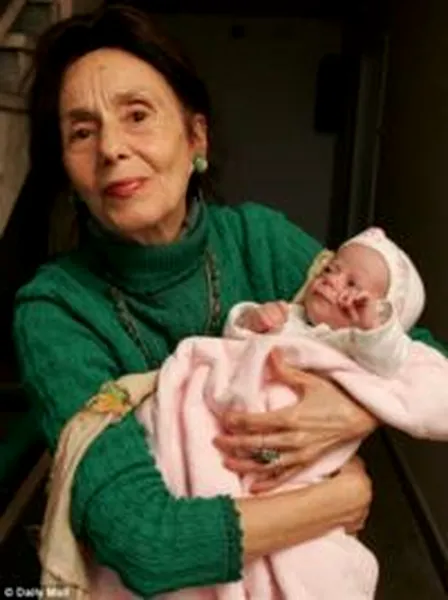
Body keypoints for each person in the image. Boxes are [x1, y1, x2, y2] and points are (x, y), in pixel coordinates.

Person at [11, 4, 445, 598]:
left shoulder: (258, 240)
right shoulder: (56, 311)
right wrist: (341, 497)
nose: (111, 147)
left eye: (137, 115)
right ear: (67, 170)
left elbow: (419, 352)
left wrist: (355, 406)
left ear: (196, 137)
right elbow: (143, 540)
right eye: (82, 132)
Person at [226, 226, 425, 379]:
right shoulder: (289, 317)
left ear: (381, 313)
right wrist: (252, 319)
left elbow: (387, 362)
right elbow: (234, 347)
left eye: (351, 284)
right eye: (329, 269)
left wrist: (372, 329)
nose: (331, 279)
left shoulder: (359, 350)